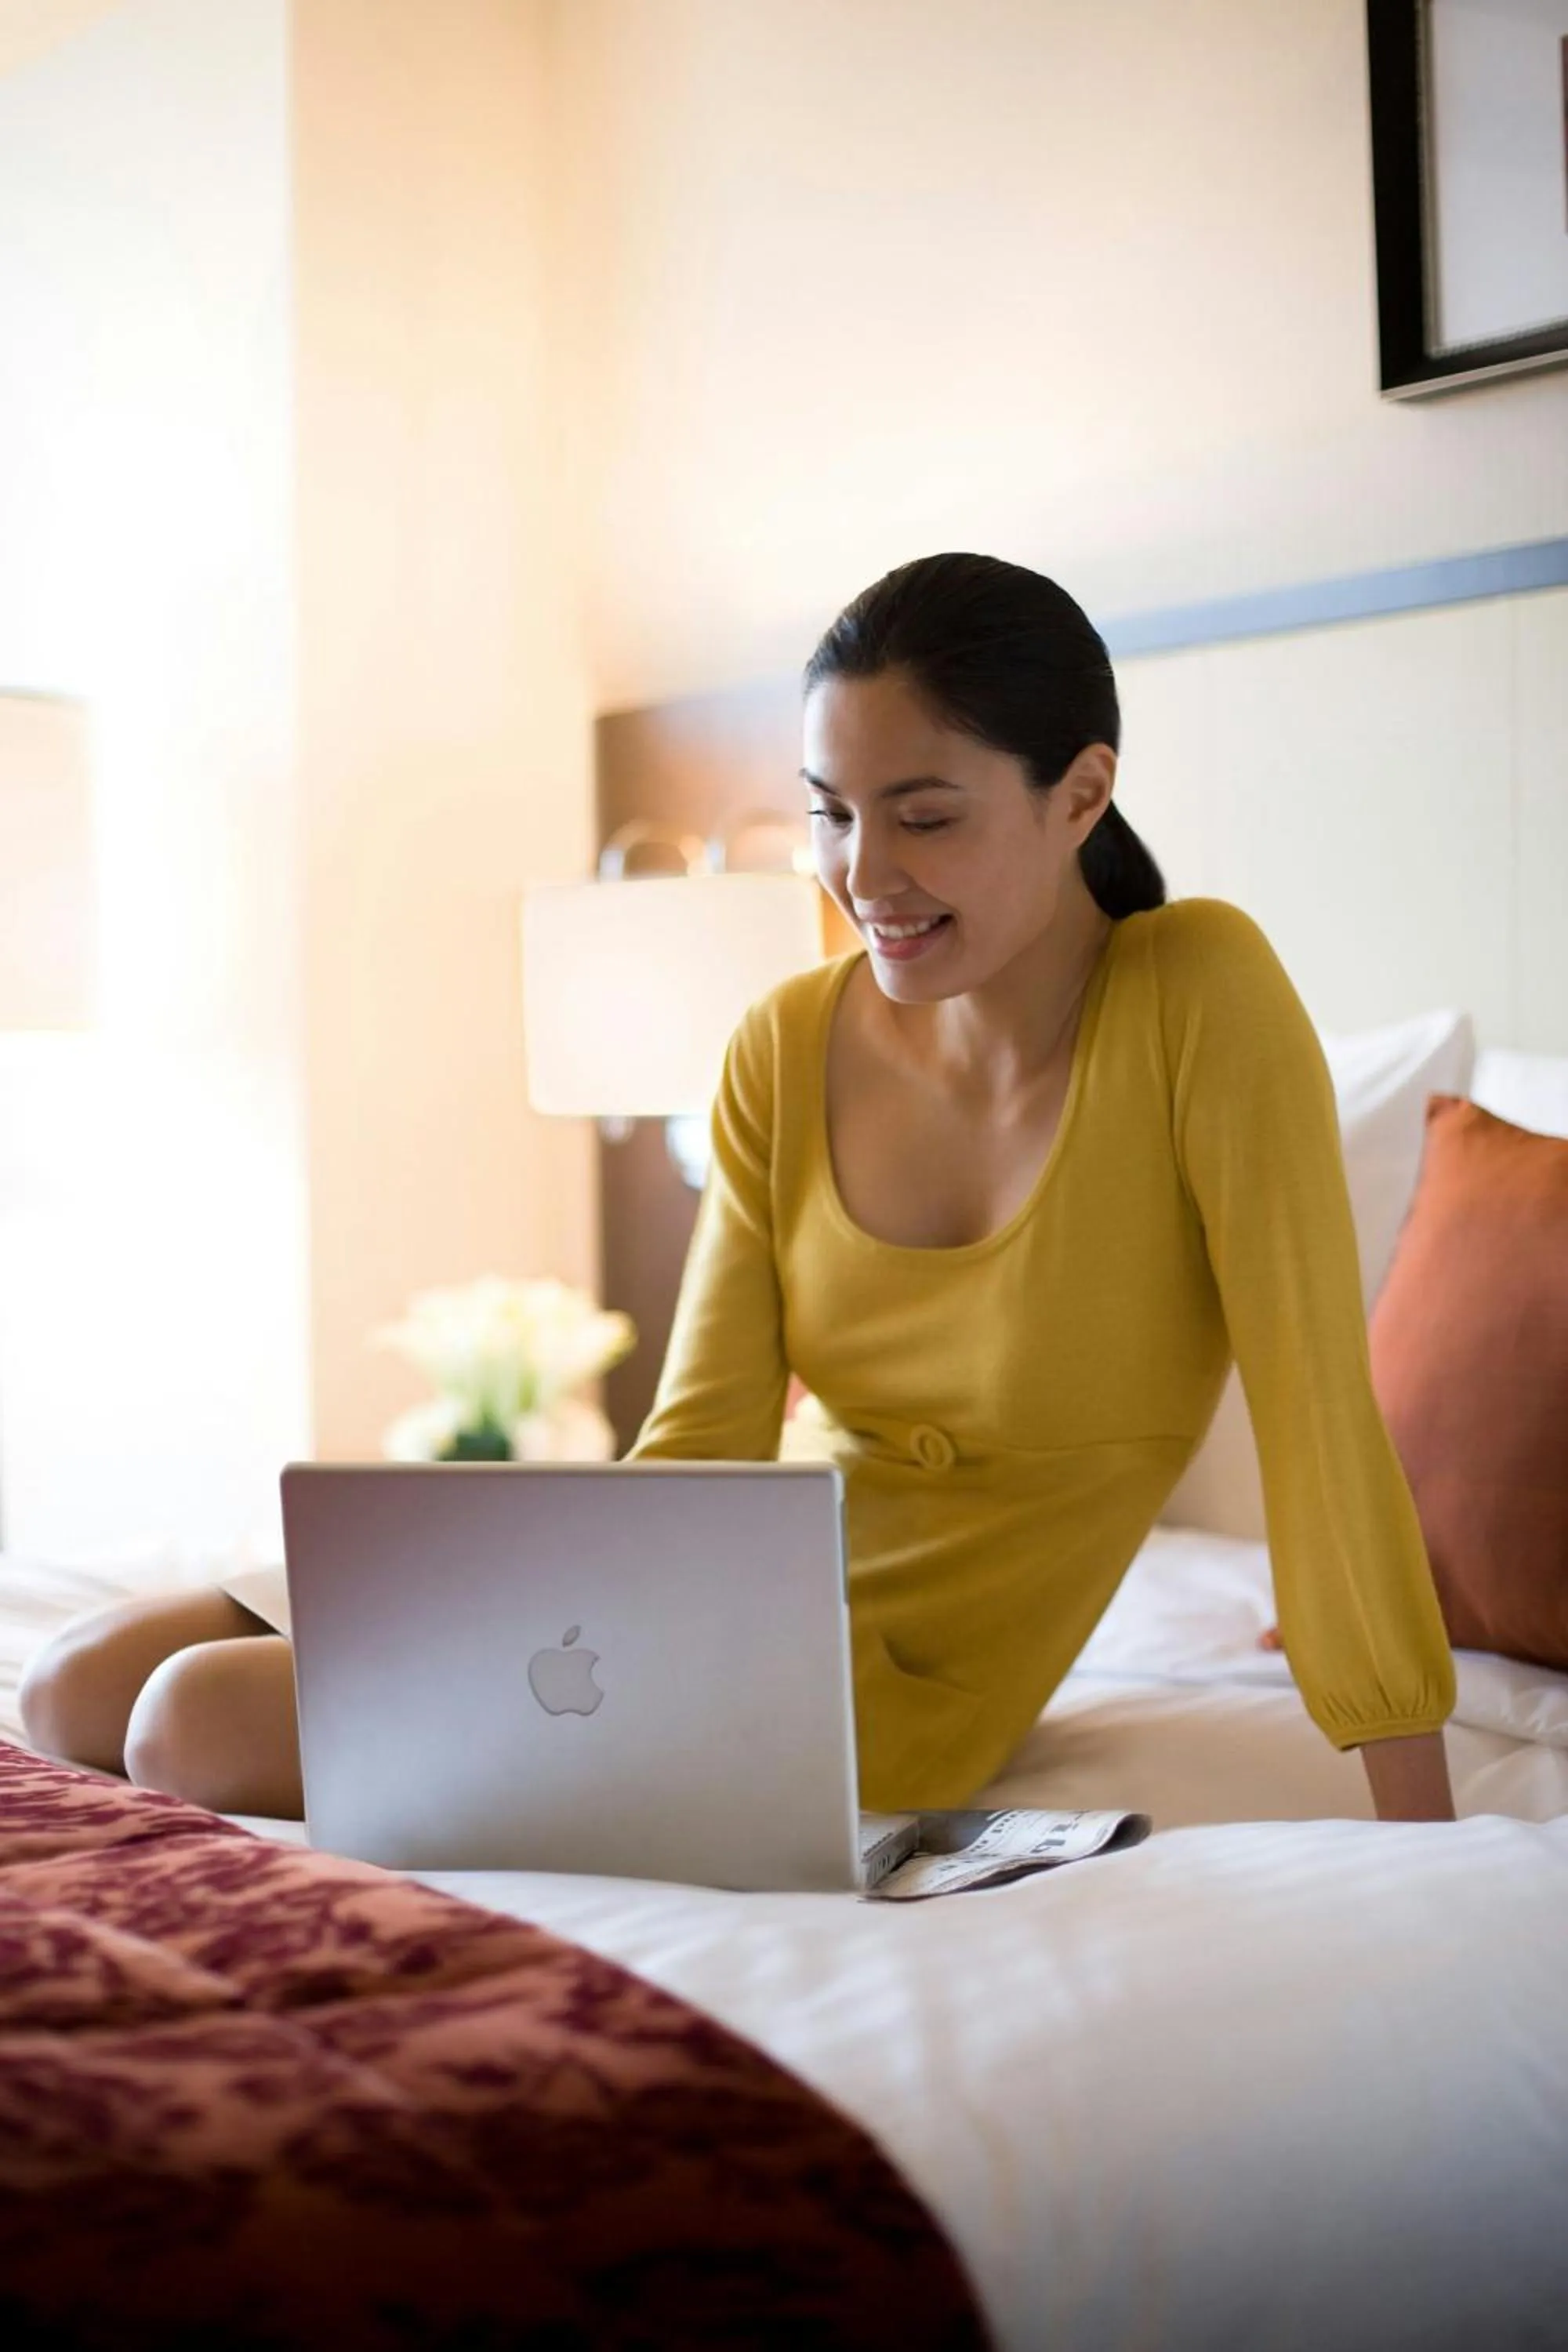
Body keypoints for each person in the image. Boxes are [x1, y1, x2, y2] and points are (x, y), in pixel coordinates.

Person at [20, 552, 1457, 1824]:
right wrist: (559, 1603)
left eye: (925, 816)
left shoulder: (1200, 997)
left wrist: (1422, 1812)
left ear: (1081, 793)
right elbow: (699, 1439)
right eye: (832, 814)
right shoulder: (787, 1039)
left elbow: (1318, 1421)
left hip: (883, 1686)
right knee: (70, 1685)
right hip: (692, 1594)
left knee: (186, 1725)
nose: (863, 874)